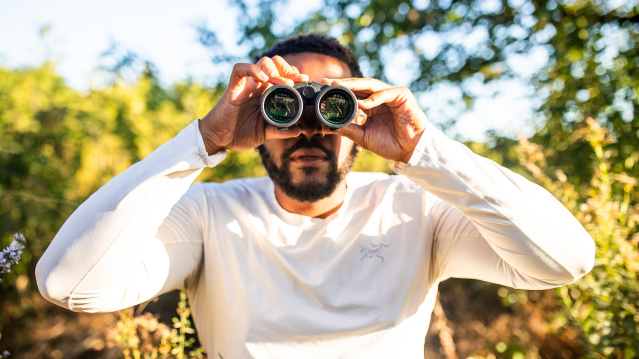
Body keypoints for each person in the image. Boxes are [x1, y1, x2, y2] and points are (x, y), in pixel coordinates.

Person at [36, 33, 594, 358]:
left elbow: (565, 262)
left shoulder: (415, 209)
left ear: (361, 112)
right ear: (259, 115)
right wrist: (203, 141)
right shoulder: (210, 216)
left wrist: (424, 149)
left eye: (331, 107)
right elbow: (69, 283)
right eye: (285, 106)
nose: (307, 128)